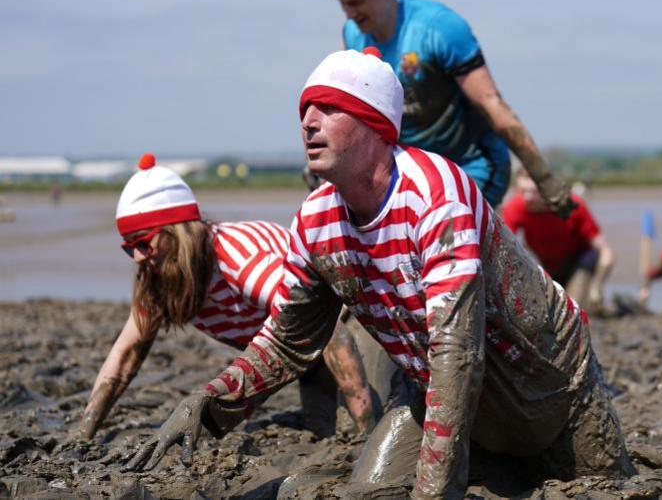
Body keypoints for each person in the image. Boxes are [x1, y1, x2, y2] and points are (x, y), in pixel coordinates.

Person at [124, 49, 634, 498]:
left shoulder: (436, 195)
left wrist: (436, 490)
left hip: (548, 387)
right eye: (304, 110)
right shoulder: (315, 220)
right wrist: (209, 403)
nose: (307, 122)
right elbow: (288, 340)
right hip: (432, 388)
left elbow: (460, 354)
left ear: (372, 123)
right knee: (370, 490)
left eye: (327, 108)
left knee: (612, 485)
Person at [77, 154, 379, 441]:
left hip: (351, 319)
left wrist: (364, 422)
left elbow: (330, 330)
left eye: (143, 243)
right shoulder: (161, 279)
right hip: (304, 353)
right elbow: (125, 356)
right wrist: (84, 433)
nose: (139, 258)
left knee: (363, 430)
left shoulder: (236, 261)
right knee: (323, 427)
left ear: (179, 231)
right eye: (129, 248)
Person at [324, 0, 574, 215]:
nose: (349, 13)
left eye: (356, 2)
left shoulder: (439, 28)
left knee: (448, 236)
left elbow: (492, 104)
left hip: (472, 165)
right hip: (412, 171)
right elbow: (347, 107)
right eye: (342, 3)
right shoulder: (352, 35)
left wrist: (545, 179)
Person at [502, 168, 614, 314]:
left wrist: (597, 286)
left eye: (534, 191)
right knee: (541, 310)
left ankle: (593, 302)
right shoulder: (517, 206)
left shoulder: (572, 205)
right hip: (547, 264)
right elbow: (502, 246)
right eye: (523, 191)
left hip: (579, 261)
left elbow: (606, 252)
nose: (528, 197)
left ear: (548, 190)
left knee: (572, 310)